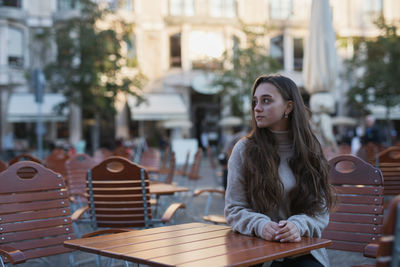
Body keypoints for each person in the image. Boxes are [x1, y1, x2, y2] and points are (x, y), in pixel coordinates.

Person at [224, 74, 334, 267]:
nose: (257, 108)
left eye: (266, 101)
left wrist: (297, 226)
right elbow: (233, 208)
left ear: (289, 107)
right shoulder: (244, 150)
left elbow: (320, 212)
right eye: (255, 101)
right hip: (254, 249)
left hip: (301, 251)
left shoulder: (310, 150)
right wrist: (261, 225)